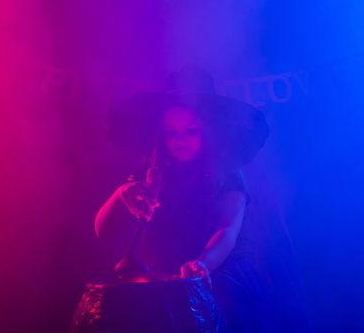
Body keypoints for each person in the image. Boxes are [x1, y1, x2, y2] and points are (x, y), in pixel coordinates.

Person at [94, 66, 271, 332]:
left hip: (215, 275)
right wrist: (120, 196)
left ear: (207, 131)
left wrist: (203, 264)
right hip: (166, 279)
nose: (180, 140)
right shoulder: (152, 172)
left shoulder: (226, 173)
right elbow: (103, 231)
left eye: (191, 131)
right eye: (171, 132)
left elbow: (227, 230)